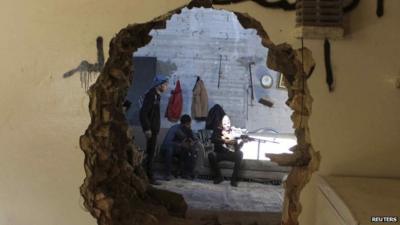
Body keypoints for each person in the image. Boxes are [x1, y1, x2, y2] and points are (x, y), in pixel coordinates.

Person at [139, 75, 169, 185]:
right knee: (150, 153)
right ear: (159, 85)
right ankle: (149, 177)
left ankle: (147, 175)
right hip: (150, 130)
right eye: (165, 85)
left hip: (154, 129)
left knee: (151, 153)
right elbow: (143, 113)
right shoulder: (151, 95)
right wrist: (147, 128)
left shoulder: (157, 96)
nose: (166, 87)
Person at [208, 115, 243, 187]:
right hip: (219, 154)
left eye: (228, 123)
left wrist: (242, 143)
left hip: (229, 154)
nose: (227, 125)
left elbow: (236, 149)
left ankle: (233, 179)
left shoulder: (233, 133)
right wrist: (225, 141)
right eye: (224, 123)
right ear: (221, 124)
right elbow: (213, 139)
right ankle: (219, 177)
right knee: (211, 155)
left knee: (240, 153)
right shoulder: (217, 131)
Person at [161, 114, 198, 181]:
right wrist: (180, 144)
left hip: (179, 150)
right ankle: (167, 174)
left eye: (189, 124)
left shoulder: (188, 130)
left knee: (189, 149)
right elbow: (166, 143)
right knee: (170, 150)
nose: (189, 126)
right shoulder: (174, 129)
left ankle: (186, 173)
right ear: (183, 124)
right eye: (188, 124)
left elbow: (195, 139)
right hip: (167, 149)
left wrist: (193, 142)